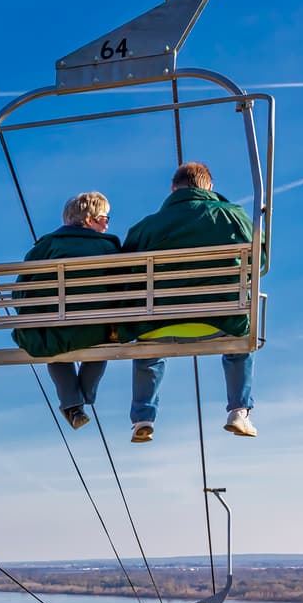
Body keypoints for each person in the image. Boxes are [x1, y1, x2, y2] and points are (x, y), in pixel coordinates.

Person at [121, 163, 257, 443]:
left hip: (158, 324)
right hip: (220, 321)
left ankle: (143, 418)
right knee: (240, 344)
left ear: (173, 189)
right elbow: (259, 262)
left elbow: (126, 273)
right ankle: (238, 411)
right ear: (210, 187)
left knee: (148, 351)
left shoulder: (145, 227)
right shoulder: (234, 216)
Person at [11, 192, 123, 430]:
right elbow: (123, 288)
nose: (107, 224)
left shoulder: (45, 246)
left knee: (53, 348)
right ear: (90, 219)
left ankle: (72, 403)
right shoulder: (109, 247)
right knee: (104, 343)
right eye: (105, 218)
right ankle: (84, 395)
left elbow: (21, 289)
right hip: (97, 330)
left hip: (53, 330)